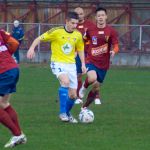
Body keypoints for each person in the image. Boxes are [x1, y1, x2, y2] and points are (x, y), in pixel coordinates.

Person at [27, 12, 87, 123]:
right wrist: (32, 48)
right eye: (72, 23)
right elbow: (39, 38)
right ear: (67, 21)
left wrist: (83, 64)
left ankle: (67, 114)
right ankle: (62, 113)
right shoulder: (56, 31)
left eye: (76, 24)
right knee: (65, 82)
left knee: (73, 95)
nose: (75, 26)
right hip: (57, 63)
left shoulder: (78, 35)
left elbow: (80, 50)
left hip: (71, 65)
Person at [79, 7, 119, 108]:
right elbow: (85, 39)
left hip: (104, 64)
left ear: (106, 17)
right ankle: (83, 87)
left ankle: (85, 107)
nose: (100, 17)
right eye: (98, 16)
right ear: (96, 18)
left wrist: (113, 51)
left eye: (102, 15)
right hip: (91, 60)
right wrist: (87, 48)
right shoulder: (90, 30)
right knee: (92, 78)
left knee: (96, 86)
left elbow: (116, 45)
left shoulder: (111, 31)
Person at [0, 29, 27, 148]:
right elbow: (15, 43)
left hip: (4, 72)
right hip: (13, 68)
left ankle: (17, 134)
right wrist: (6, 56)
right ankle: (20, 134)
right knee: (4, 103)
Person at [74, 7, 101, 105]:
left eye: (81, 14)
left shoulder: (90, 25)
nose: (79, 16)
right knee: (78, 75)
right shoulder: (73, 25)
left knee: (93, 76)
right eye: (77, 14)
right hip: (77, 54)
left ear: (84, 14)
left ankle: (97, 96)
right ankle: (78, 97)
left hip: (89, 54)